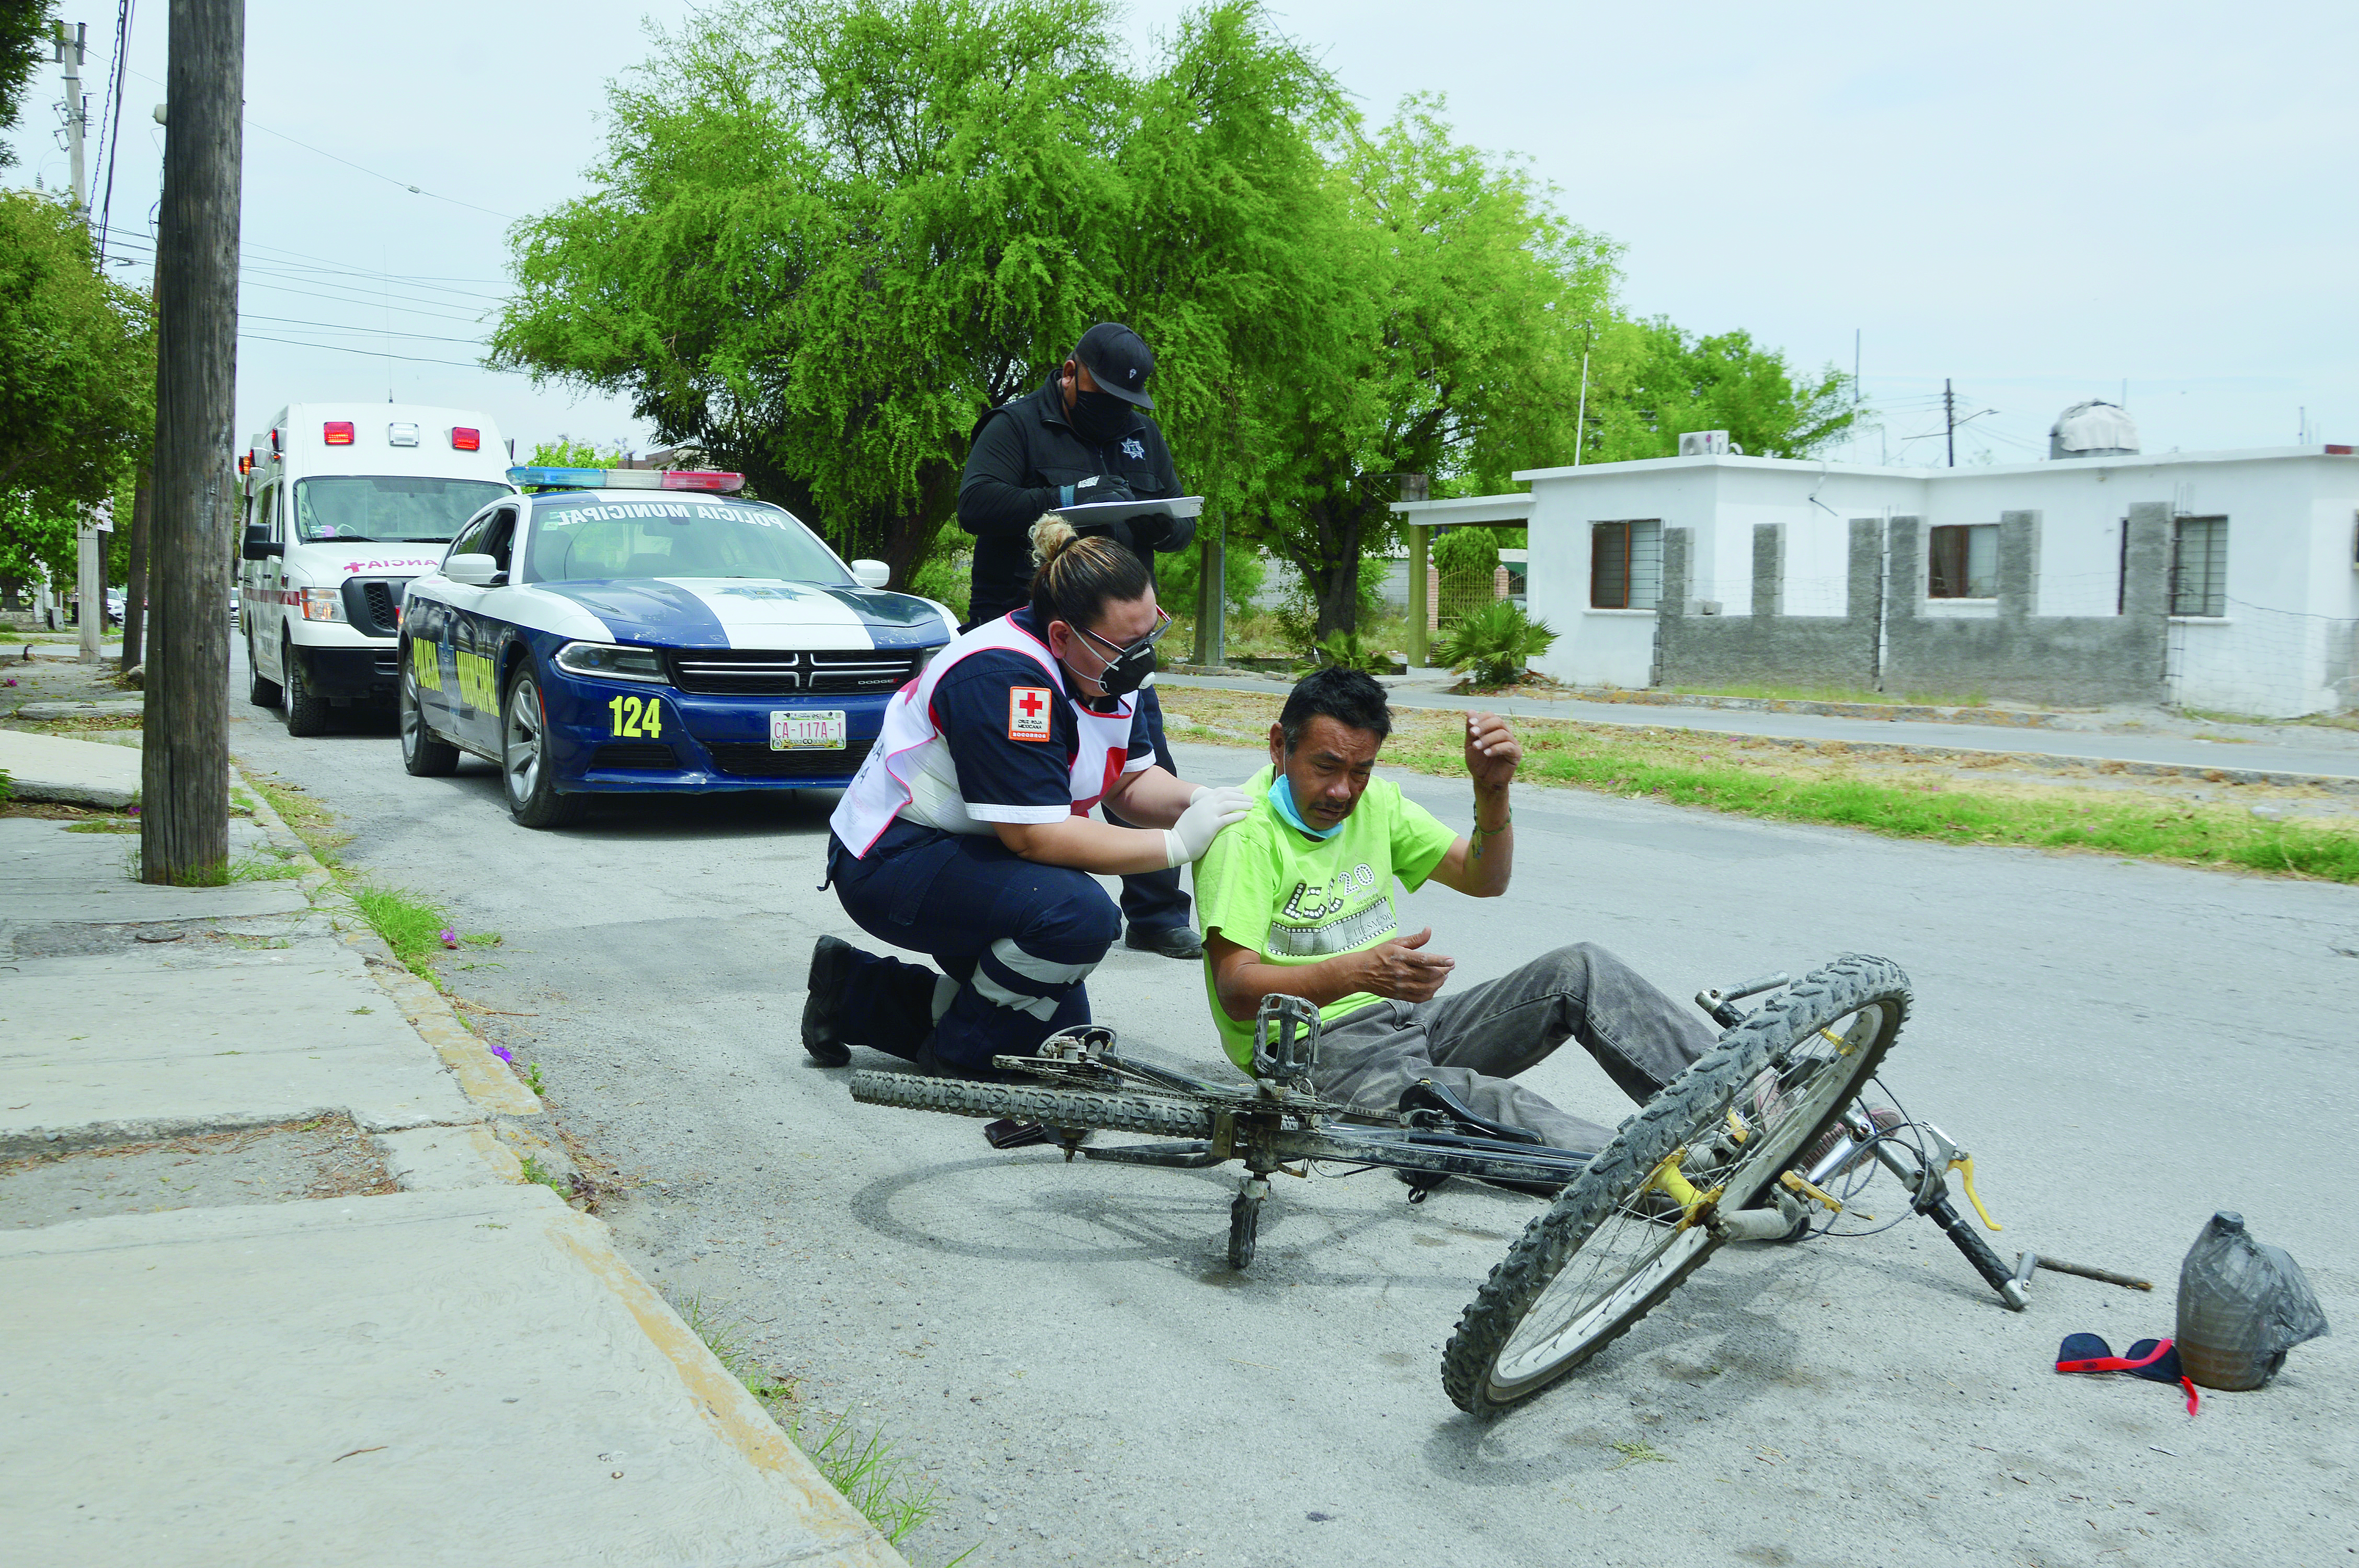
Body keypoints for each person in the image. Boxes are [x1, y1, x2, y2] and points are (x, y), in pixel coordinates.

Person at [1190, 667, 1721, 1163]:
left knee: (1580, 970)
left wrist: (1492, 790)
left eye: (1361, 771)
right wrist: (1356, 973)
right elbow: (1237, 993)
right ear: (1280, 746)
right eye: (1325, 767)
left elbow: (1483, 879)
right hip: (1316, 1057)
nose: (1341, 791)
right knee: (1499, 1109)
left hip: (1407, 1023)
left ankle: (1757, 1111)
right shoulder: (1245, 833)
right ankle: (1698, 1181)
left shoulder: (1376, 805)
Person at [805, 517, 1253, 1080]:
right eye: (1127, 644)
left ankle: (852, 991)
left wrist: (1205, 800)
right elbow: (1036, 836)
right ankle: (958, 1051)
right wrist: (1175, 845)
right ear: (1062, 635)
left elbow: (1130, 783)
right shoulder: (1004, 678)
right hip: (894, 860)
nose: (1143, 658)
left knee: (1049, 1031)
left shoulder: (1105, 665)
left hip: (972, 855)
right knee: (1079, 918)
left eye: (1152, 633)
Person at [957, 321, 1200, 960]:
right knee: (1020, 775)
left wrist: (1162, 522)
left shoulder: (1140, 434)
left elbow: (1179, 525)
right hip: (1028, 627)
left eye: (1129, 404)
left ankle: (1155, 912)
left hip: (1112, 636)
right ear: (1070, 373)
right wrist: (1069, 497)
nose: (1115, 415)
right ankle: (1010, 901)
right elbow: (977, 505)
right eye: (1103, 397)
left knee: (1140, 764)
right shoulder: (1016, 424)